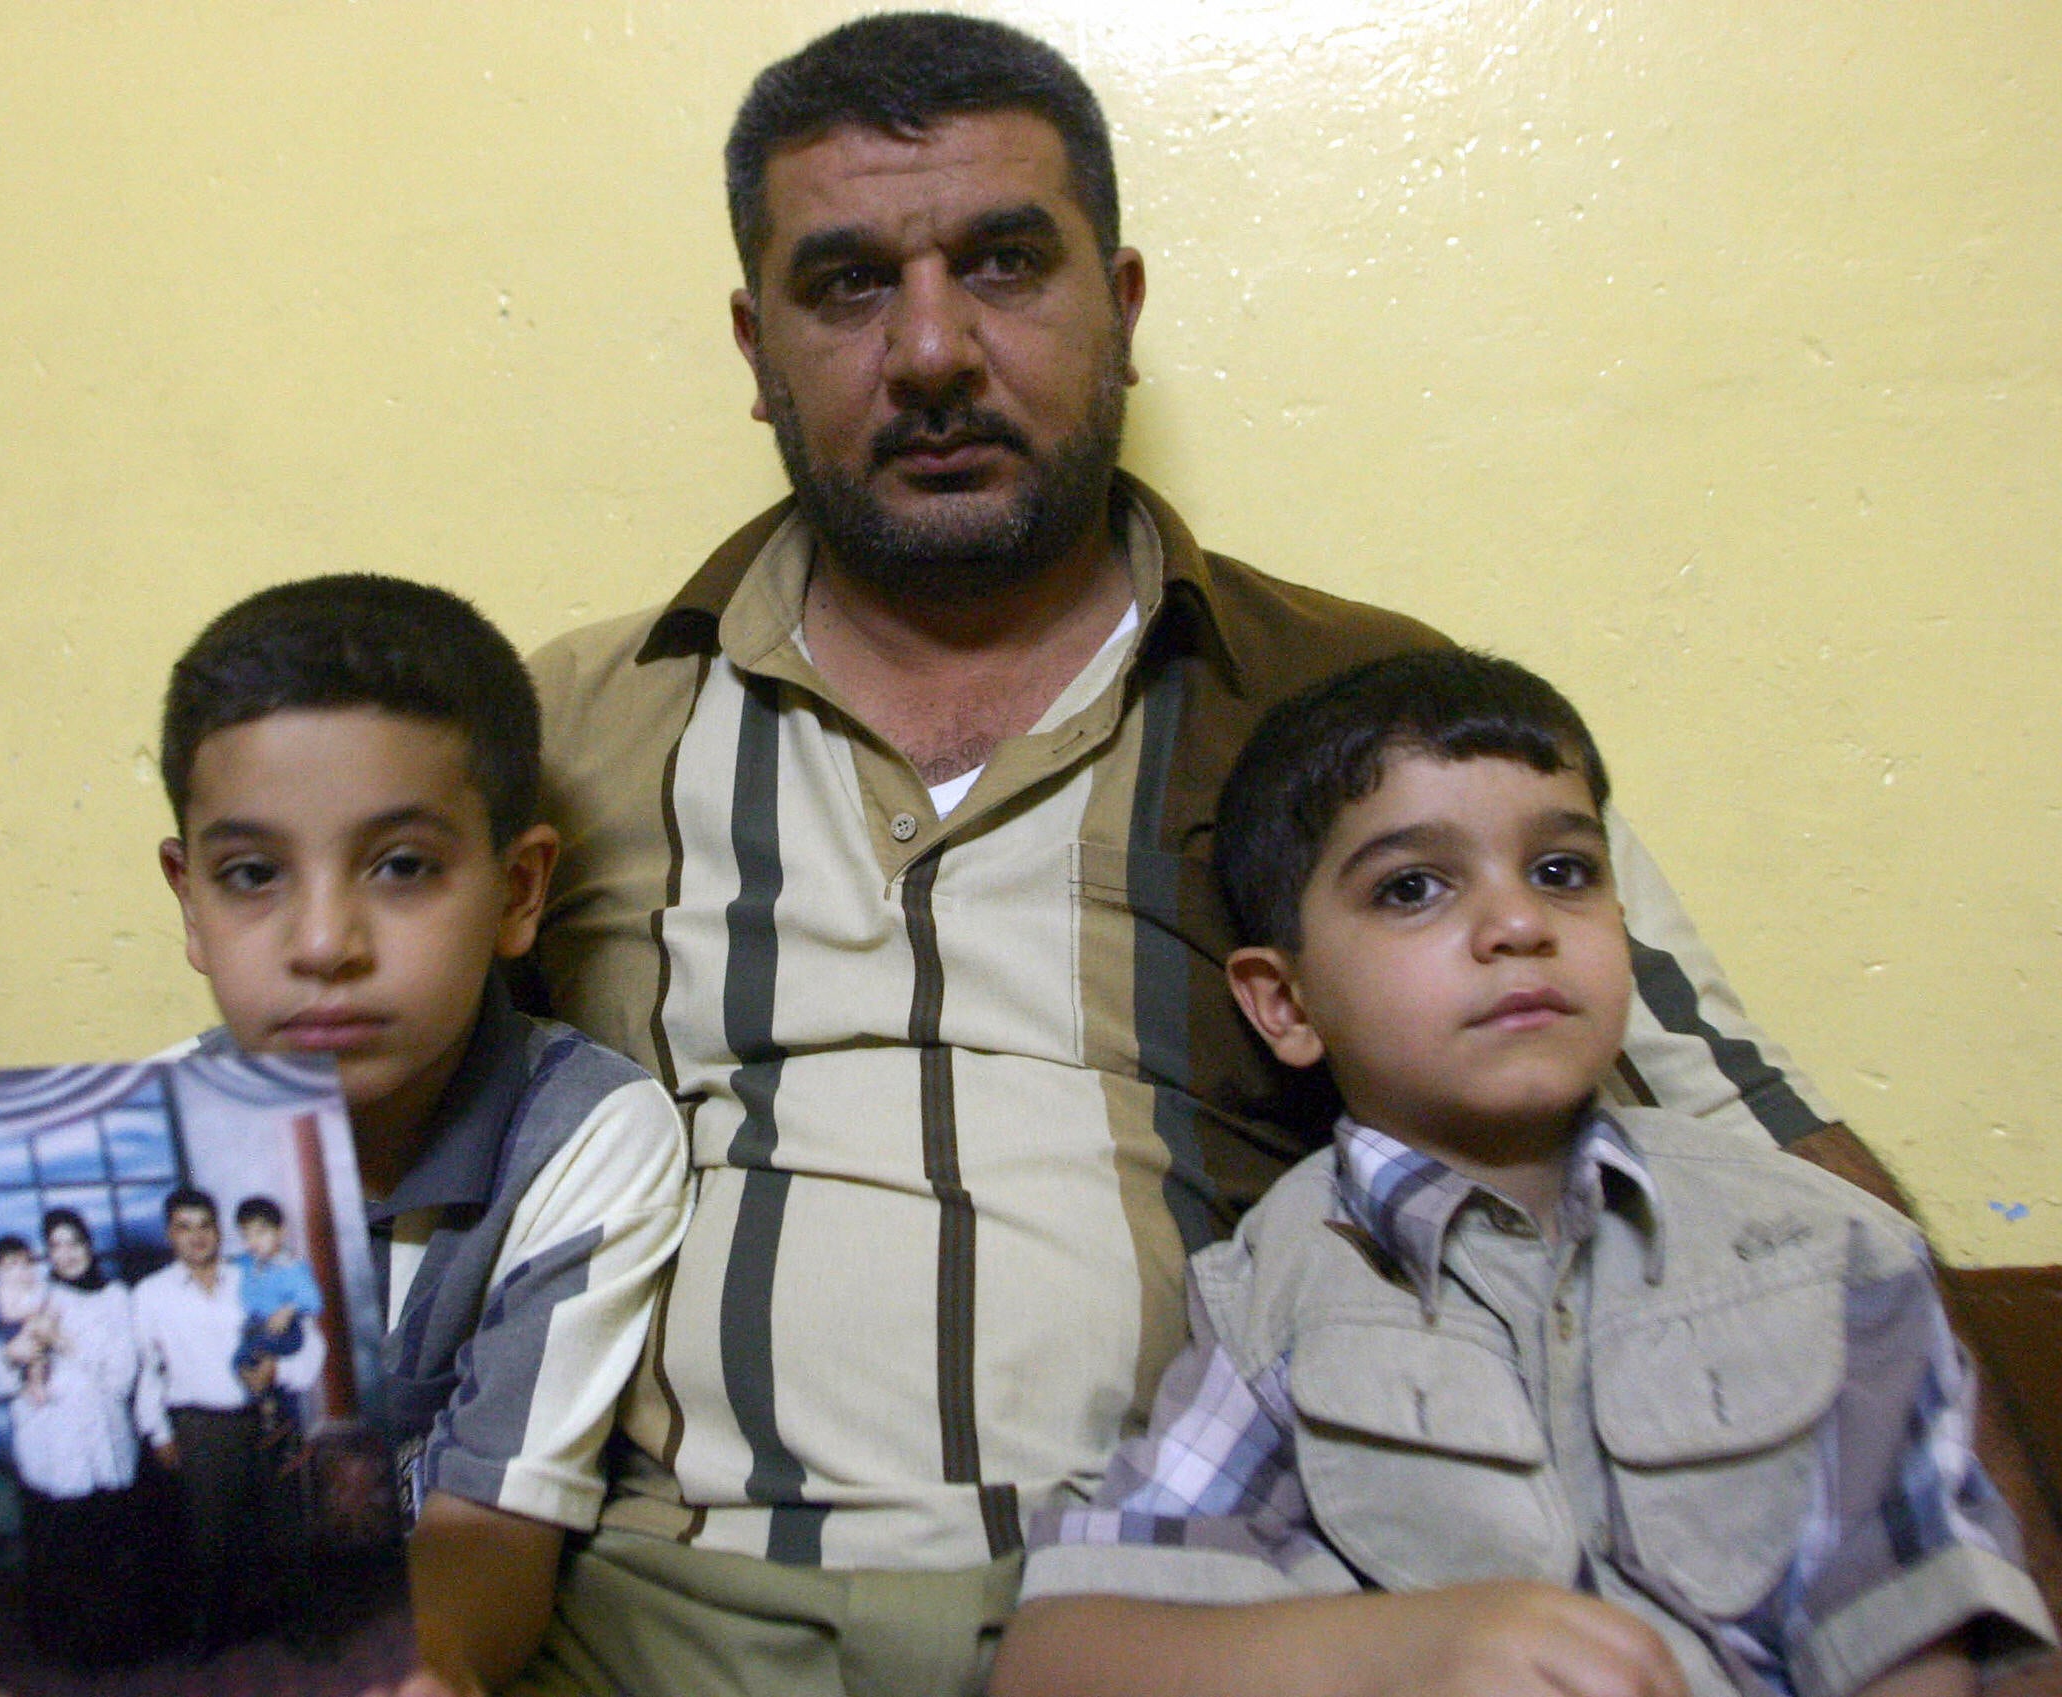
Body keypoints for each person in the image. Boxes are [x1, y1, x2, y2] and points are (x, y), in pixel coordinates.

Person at [517, 14, 2056, 1694]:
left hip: (1229, 1628)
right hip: (654, 1628)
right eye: (848, 284)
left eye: (1007, 263)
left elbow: (1779, 1177)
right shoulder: (569, 734)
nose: (936, 347)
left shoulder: (1361, 714)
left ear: (1125, 309)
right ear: (758, 345)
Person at [0, 574, 690, 1697]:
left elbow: (490, 1542)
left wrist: (404, 1667)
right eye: (252, 874)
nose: (322, 941)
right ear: (190, 902)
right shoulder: (137, 1122)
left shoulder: (583, 1135)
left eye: (401, 865)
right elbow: (35, 1480)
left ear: (517, 887)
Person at [992, 649, 2056, 1697]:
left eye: (1563, 871)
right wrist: (1393, 1651)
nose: (1517, 924)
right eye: (1412, 886)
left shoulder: (1818, 1244)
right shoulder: (1274, 1297)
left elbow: (1919, 1631)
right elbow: (1062, 1658)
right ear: (1287, 1003)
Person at [131, 1186, 314, 1652]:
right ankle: (211, 1636)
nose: (196, 1237)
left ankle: (300, 1631)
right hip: (199, 1426)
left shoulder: (255, 1277)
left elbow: (309, 1342)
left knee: (284, 1527)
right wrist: (157, 1432)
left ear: (219, 1230)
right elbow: (146, 1371)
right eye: (183, 1228)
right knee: (210, 1538)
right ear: (170, 1235)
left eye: (205, 1226)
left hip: (265, 1418)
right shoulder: (151, 1295)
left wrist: (280, 1368)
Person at [2, 1210, 138, 1499]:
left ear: (88, 1245)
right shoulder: (38, 1296)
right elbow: (8, 1377)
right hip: (52, 1450)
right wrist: (13, 1356)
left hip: (107, 1445)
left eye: (74, 1243)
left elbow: (121, 1378)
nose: (66, 1255)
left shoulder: (115, 1297)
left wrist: (63, 1343)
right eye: (56, 1246)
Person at [226, 1195, 324, 1436]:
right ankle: (270, 1408)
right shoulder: (249, 1263)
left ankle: (273, 1410)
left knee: (245, 1358)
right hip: (259, 1327)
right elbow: (231, 1265)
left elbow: (313, 1301)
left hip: (285, 1330)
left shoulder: (291, 1265)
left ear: (280, 1232)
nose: (253, 1241)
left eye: (260, 1233)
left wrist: (288, 1310)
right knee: (249, 1361)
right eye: (247, 1235)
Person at [0, 1238, 58, 1407]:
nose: (20, 1271)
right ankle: (34, 1386)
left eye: (26, 1264)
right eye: (11, 1266)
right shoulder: (3, 1290)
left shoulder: (35, 1286)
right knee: (32, 1356)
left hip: (30, 1329)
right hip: (15, 1331)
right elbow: (9, 1314)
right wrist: (32, 1311)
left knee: (40, 1357)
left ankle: (39, 1384)